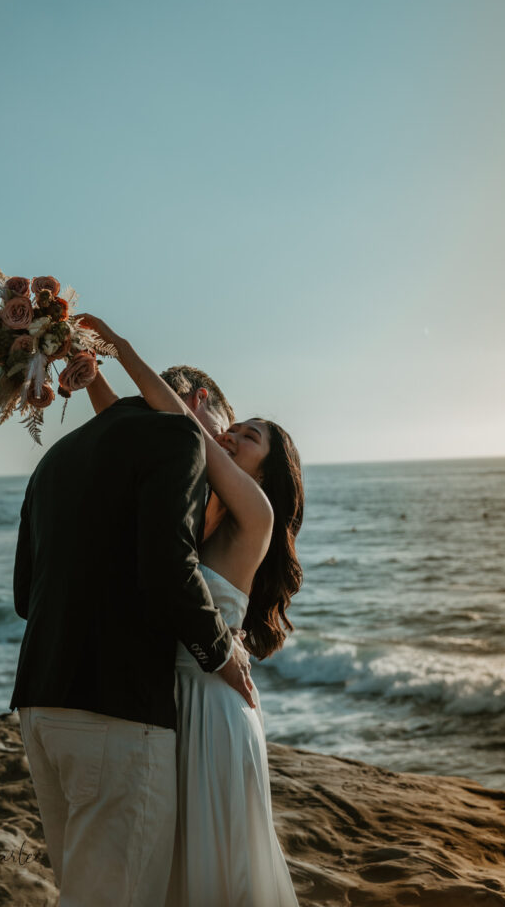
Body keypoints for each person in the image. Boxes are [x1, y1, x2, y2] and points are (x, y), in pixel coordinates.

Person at [9, 349, 255, 906]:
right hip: (117, 712)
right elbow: (170, 567)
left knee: (83, 891)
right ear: (198, 402)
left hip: (39, 706)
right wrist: (221, 652)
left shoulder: (56, 456)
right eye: (221, 431)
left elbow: (26, 596)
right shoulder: (180, 436)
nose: (220, 450)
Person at [79, 315, 304, 907]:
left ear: (266, 471)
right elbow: (143, 439)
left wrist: (119, 348)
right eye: (236, 429)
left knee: (218, 868)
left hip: (214, 705)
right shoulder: (203, 514)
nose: (232, 437)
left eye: (249, 437)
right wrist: (94, 379)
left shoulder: (257, 514)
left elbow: (179, 425)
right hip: (171, 699)